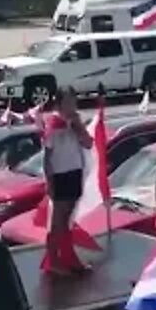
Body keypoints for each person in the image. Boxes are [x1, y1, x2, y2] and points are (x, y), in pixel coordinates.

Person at [43, 87, 93, 274]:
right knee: (58, 220)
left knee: (68, 220)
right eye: (68, 102)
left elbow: (88, 143)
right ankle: (52, 260)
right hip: (60, 175)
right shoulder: (53, 124)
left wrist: (78, 128)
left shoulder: (75, 123)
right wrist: (49, 181)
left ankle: (68, 256)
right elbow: (47, 156)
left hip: (75, 172)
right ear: (59, 103)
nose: (72, 106)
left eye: (74, 101)